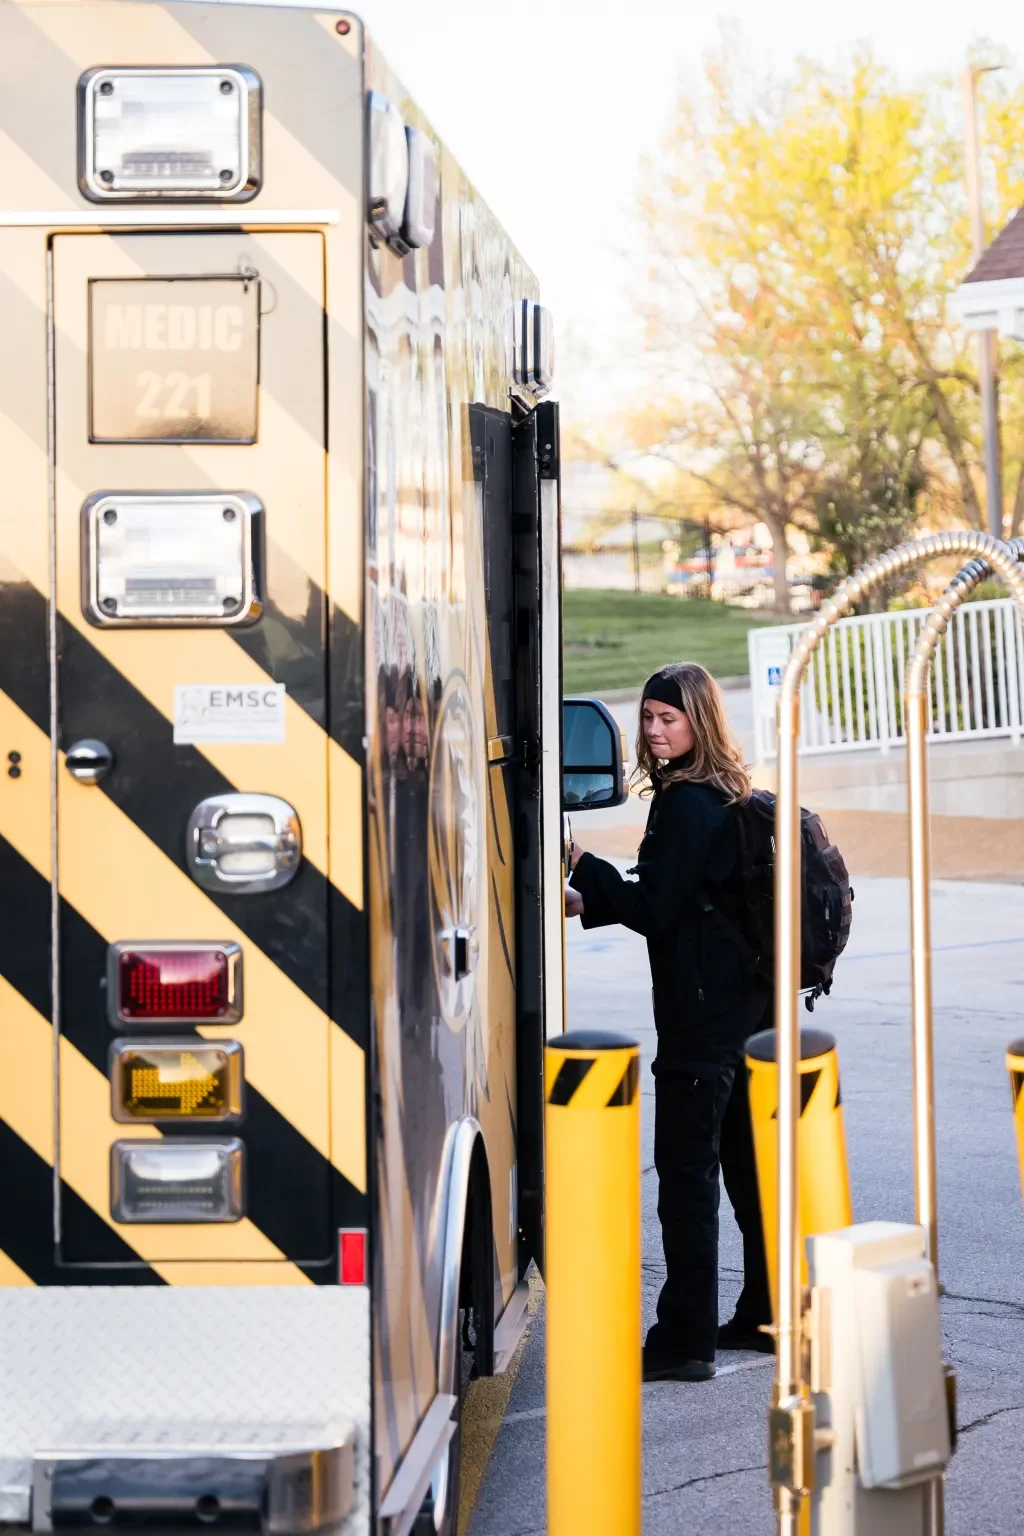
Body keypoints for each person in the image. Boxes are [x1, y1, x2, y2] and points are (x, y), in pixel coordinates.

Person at [566, 662, 773, 1383]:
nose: (655, 733)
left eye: (668, 720)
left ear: (699, 722)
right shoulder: (730, 793)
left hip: (702, 1023)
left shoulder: (685, 803)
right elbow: (682, 897)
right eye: (648, 719)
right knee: (751, 1175)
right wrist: (596, 892)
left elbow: (655, 908)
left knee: (687, 1178)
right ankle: (765, 1312)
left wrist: (585, 868)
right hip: (751, 1012)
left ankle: (684, 1341)